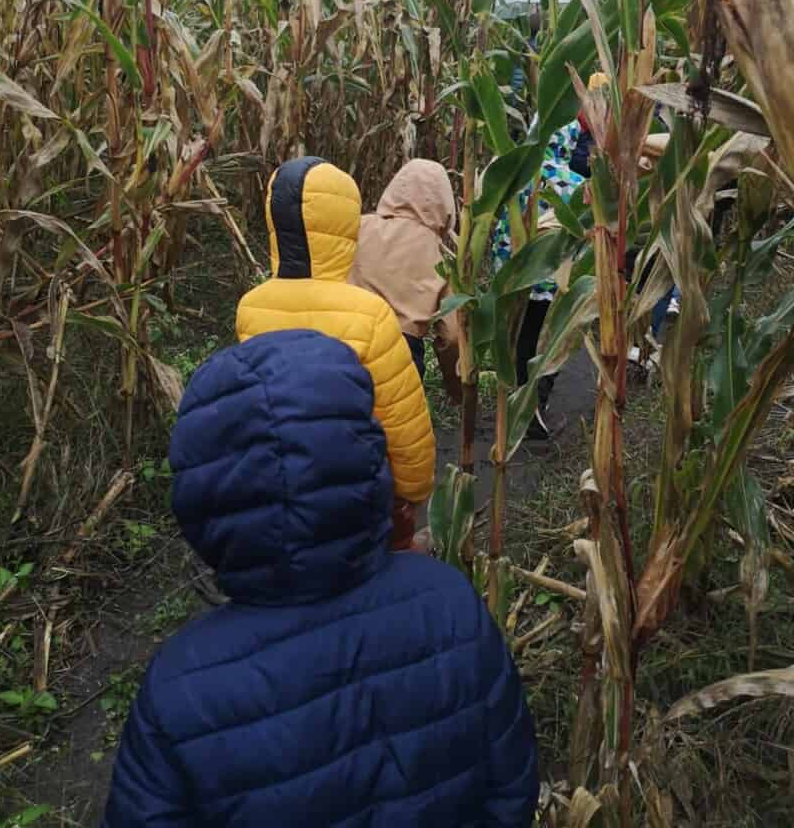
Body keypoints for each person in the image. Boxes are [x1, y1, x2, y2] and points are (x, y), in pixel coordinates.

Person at [102, 330, 540, 827]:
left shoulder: (179, 691)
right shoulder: (450, 605)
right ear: (368, 457)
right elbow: (512, 786)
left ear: (201, 496)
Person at [236, 156, 435, 551]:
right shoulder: (369, 314)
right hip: (359, 487)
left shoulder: (251, 307)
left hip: (282, 484)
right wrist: (414, 489)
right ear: (345, 222)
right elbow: (400, 417)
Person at [491, 121, 585, 438]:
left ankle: (511, 403)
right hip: (549, 284)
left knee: (518, 342)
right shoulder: (574, 186)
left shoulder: (514, 177)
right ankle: (532, 413)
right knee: (544, 348)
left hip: (513, 279)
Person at [349, 159, 461, 400]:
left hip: (344, 342)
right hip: (400, 355)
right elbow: (452, 337)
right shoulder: (439, 257)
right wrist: (456, 391)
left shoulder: (356, 227)